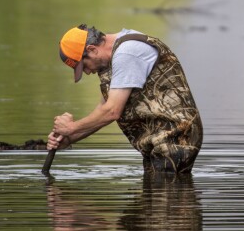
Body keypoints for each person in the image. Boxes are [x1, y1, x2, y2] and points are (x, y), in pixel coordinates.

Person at [47, 24, 203, 173]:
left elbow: (112, 111)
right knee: (157, 193)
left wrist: (71, 128)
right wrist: (69, 138)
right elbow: (103, 109)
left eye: (84, 66)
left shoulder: (127, 53)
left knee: (164, 192)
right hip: (161, 139)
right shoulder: (119, 54)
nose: (87, 72)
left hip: (176, 137)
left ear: (92, 49)